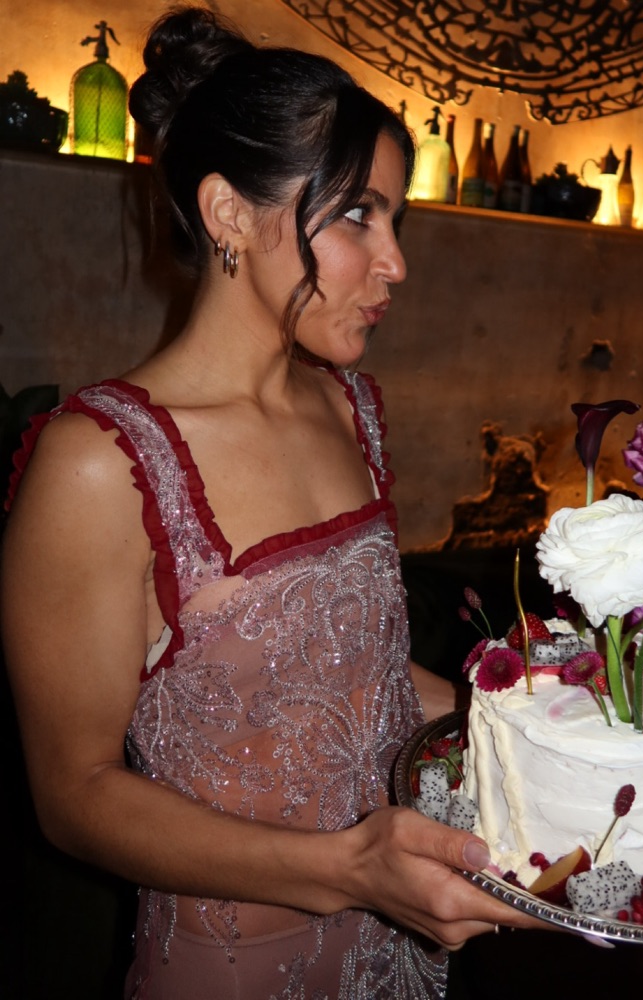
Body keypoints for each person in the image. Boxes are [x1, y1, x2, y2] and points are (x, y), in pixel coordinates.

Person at [1, 6, 542, 998]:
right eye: (357, 215)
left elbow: (352, 673)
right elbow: (73, 796)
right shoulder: (100, 461)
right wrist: (348, 870)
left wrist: (543, 723)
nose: (395, 262)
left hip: (397, 962)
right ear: (228, 214)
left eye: (396, 219)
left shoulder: (351, 409)